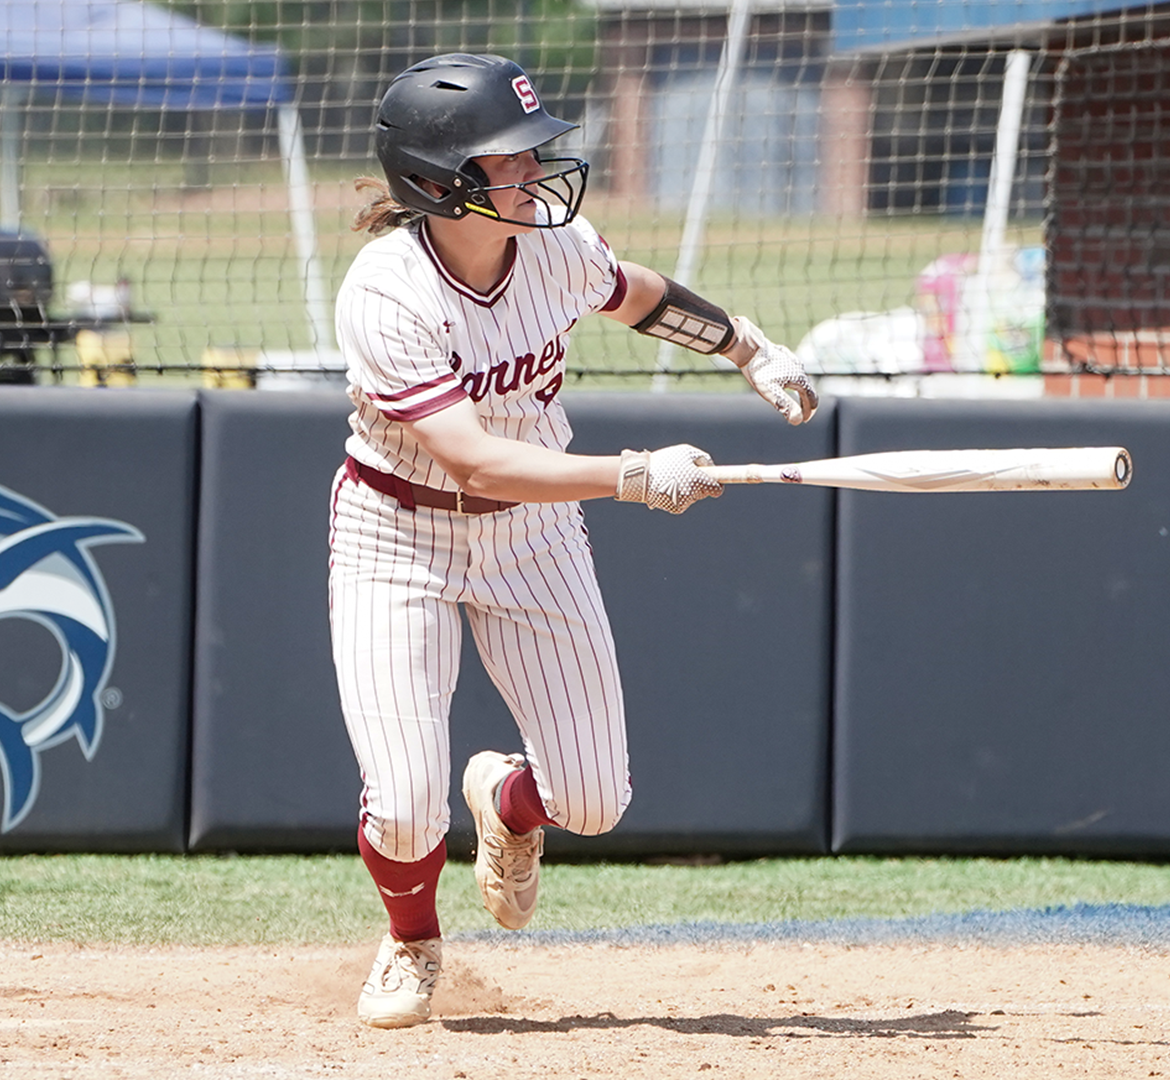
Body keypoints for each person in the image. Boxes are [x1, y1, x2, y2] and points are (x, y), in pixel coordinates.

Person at [331, 53, 819, 1029]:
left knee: (592, 801)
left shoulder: (551, 245)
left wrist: (744, 346)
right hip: (399, 536)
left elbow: (633, 293)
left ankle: (507, 802)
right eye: (508, 158)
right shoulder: (387, 293)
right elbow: (475, 462)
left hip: (534, 537)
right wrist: (634, 475)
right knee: (402, 803)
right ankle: (413, 940)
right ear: (438, 182)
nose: (534, 170)